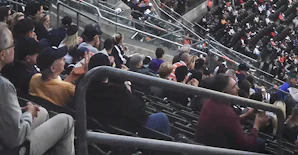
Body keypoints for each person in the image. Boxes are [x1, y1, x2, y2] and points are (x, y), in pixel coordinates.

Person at [0, 24, 75, 155]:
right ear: (2, 54)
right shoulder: (4, 86)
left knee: (43, 112)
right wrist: (28, 113)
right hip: (10, 149)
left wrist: (17, 112)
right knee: (66, 120)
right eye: (12, 45)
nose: (14, 48)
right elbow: (15, 138)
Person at [83, 53, 170, 137]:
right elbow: (140, 109)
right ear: (108, 72)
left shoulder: (82, 88)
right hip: (122, 133)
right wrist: (128, 91)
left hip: (102, 132)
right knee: (162, 118)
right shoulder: (116, 92)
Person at [197, 72, 270, 150]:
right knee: (261, 143)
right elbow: (247, 143)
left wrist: (246, 114)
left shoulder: (209, 102)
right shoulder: (227, 112)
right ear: (224, 92)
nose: (238, 89)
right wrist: (257, 126)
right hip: (219, 150)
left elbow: (228, 122)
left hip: (206, 145)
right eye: (234, 87)